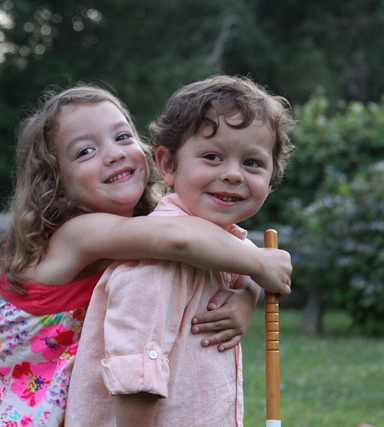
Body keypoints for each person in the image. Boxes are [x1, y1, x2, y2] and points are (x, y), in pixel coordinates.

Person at [0, 85, 291, 427]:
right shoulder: (79, 233)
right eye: (85, 151)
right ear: (57, 185)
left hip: (12, 397)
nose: (114, 153)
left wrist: (247, 292)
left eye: (122, 137)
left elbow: (209, 242)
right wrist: (259, 265)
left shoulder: (141, 232)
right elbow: (179, 239)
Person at [65, 75, 296, 427]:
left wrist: (248, 291)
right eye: (212, 157)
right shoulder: (159, 262)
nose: (233, 174)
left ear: (272, 176)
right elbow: (137, 375)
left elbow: (247, 258)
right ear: (169, 165)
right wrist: (257, 271)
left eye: (252, 163)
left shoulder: (225, 247)